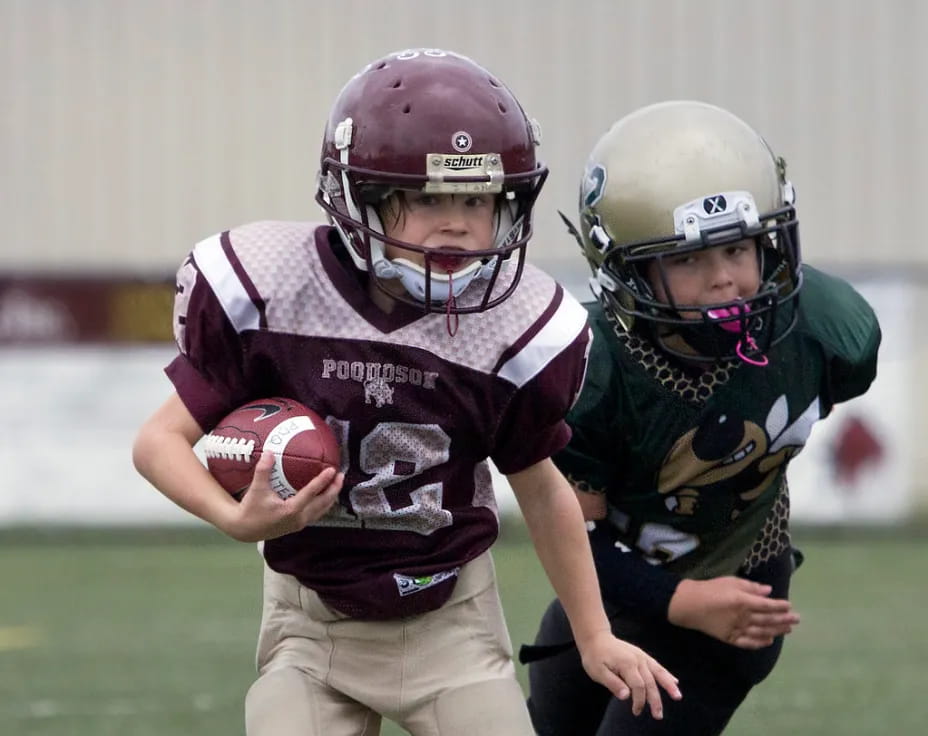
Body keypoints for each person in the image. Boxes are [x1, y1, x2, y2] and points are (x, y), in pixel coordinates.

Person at [132, 48, 680, 736]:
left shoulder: (514, 327)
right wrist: (235, 518)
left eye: (477, 200)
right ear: (360, 197)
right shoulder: (276, 288)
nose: (456, 223)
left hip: (448, 624)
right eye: (427, 199)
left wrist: (594, 635)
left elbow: (542, 489)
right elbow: (160, 442)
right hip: (314, 626)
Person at [523, 99, 881, 735]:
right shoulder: (594, 366)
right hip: (611, 591)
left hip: (737, 586)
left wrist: (699, 602)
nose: (725, 281)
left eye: (739, 248)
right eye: (687, 259)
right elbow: (567, 531)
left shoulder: (822, 332)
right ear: (626, 270)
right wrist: (675, 600)